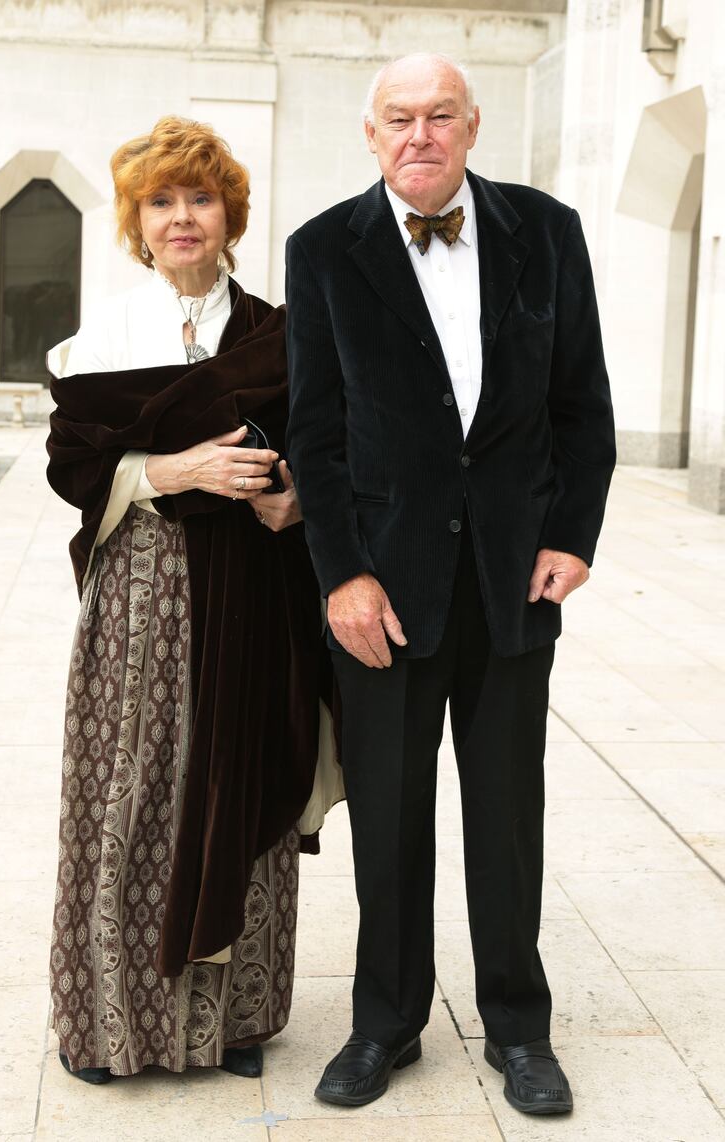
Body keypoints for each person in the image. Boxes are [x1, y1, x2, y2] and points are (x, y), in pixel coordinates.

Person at [285, 53, 616, 1115]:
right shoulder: (322, 249)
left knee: (506, 813)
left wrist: (572, 534)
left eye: (438, 115)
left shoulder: (546, 231)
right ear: (369, 135)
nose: (417, 134)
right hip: (383, 586)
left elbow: (581, 402)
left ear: (471, 127)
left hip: (511, 577)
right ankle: (385, 1021)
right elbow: (315, 434)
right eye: (397, 118)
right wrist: (341, 574)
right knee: (387, 815)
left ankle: (518, 1026)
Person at [46, 116, 339, 1084]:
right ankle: (111, 1024)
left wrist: (296, 499)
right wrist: (176, 468)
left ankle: (237, 1019)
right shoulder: (104, 334)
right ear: (136, 220)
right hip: (141, 589)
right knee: (126, 790)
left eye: (199, 198)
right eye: (161, 201)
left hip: (250, 593)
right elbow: (76, 464)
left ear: (229, 215)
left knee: (237, 777)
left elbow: (328, 453)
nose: (182, 217)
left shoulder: (278, 334)